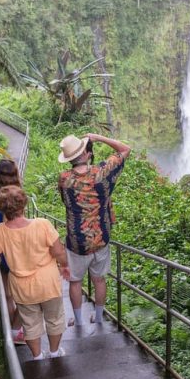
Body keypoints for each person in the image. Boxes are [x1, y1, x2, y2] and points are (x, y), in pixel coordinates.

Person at [0, 185, 70, 360]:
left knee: (30, 324)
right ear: (24, 204)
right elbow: (58, 251)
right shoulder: (42, 224)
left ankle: (37, 356)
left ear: (1, 208)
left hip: (22, 287)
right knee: (54, 318)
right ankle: (54, 352)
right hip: (48, 283)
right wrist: (65, 265)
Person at [57, 133, 130, 325]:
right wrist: (98, 137)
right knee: (99, 280)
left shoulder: (64, 179)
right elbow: (125, 150)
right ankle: (98, 319)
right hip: (101, 238)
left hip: (76, 242)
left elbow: (66, 202)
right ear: (87, 154)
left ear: (70, 158)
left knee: (75, 281)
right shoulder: (102, 172)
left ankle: (79, 321)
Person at [0, 159, 24, 344]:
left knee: (7, 294)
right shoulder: (15, 196)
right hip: (16, 249)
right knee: (24, 292)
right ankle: (15, 330)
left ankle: (10, 330)